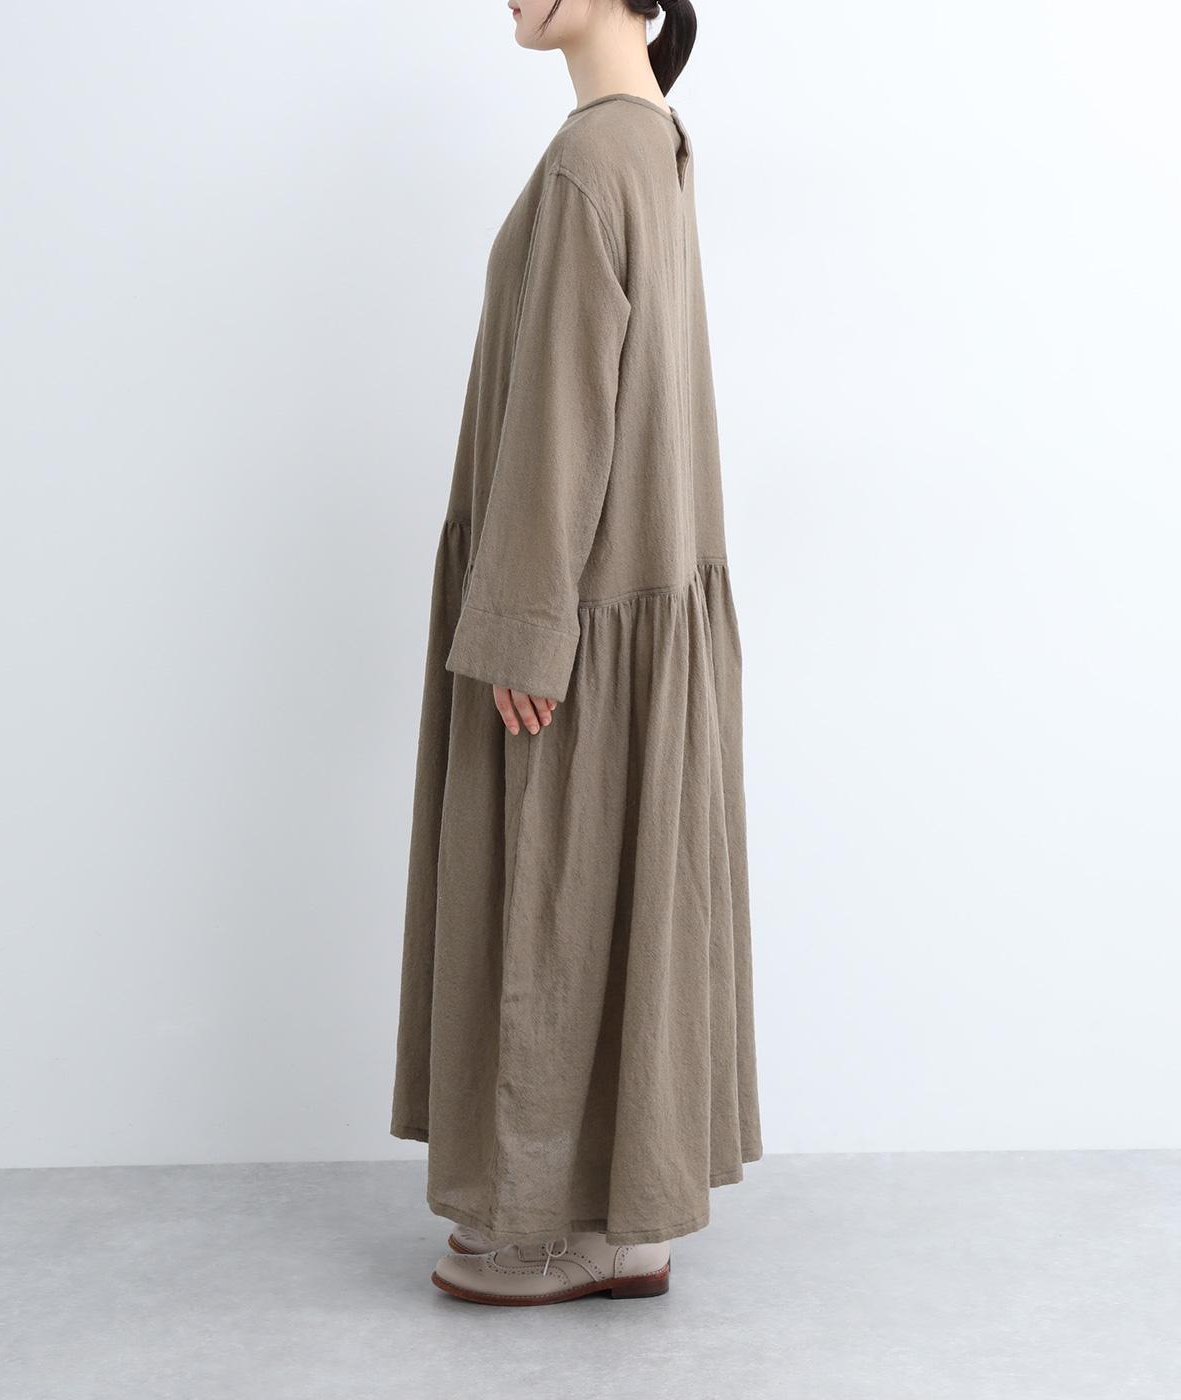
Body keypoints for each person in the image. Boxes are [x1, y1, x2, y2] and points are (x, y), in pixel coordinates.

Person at [390, 0, 761, 1306]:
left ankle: (575, 1227)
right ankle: (622, 1213)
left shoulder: (592, 156)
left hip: (578, 600)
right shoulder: (654, 139)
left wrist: (522, 624)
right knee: (608, 905)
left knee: (552, 903)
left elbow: (564, 407)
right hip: (629, 586)